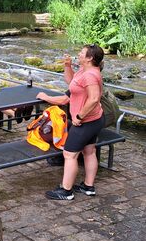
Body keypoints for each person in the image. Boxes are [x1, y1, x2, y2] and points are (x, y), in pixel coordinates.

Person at [36, 44, 106, 200]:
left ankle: (66, 191)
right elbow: (72, 83)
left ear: (90, 58)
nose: (79, 54)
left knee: (69, 154)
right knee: (89, 152)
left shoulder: (90, 75)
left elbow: (94, 98)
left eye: (82, 53)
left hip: (85, 122)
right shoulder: (85, 70)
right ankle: (88, 186)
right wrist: (67, 65)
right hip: (95, 120)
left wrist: (79, 117)